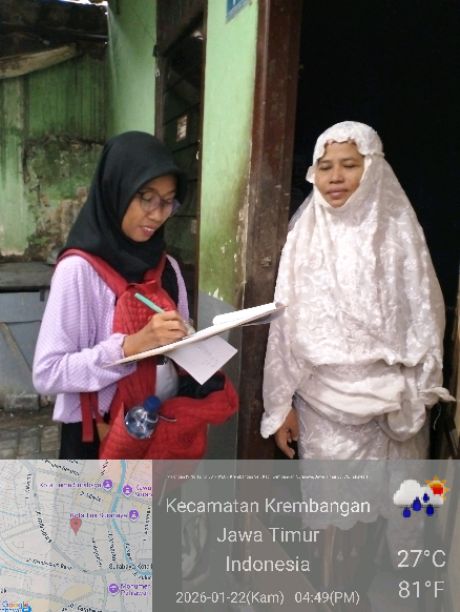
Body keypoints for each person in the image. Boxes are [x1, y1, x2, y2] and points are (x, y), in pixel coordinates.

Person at [33, 131, 236, 459]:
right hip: (97, 437)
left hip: (158, 429)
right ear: (116, 189)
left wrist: (195, 346)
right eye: (146, 197)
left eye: (168, 201)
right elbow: (47, 373)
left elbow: (177, 346)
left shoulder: (167, 267)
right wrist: (130, 347)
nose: (157, 214)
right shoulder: (79, 270)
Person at [261, 121, 452, 459]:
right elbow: (283, 329)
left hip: (397, 410)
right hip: (323, 413)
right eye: (325, 167)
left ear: (373, 169)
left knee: (399, 492)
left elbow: (427, 313)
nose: (335, 177)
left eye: (349, 165)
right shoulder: (303, 238)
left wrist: (423, 388)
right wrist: (279, 406)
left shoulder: (399, 236)